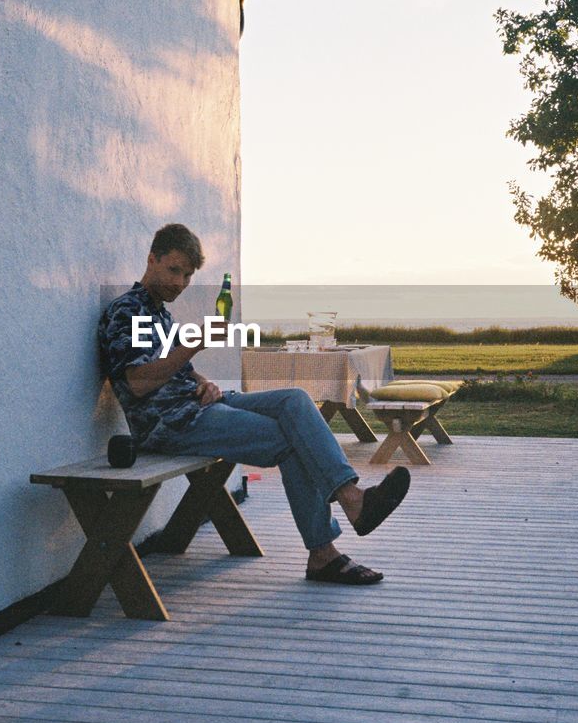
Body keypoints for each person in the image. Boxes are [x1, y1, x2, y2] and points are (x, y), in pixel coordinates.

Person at [97, 223, 409, 584]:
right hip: (170, 423)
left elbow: (171, 369)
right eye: (173, 270)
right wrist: (195, 343)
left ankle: (349, 504)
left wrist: (204, 382)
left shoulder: (159, 314)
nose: (180, 283)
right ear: (152, 259)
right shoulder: (126, 312)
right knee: (292, 440)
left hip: (196, 406)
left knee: (295, 401)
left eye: (187, 275)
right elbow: (137, 383)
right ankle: (330, 542)